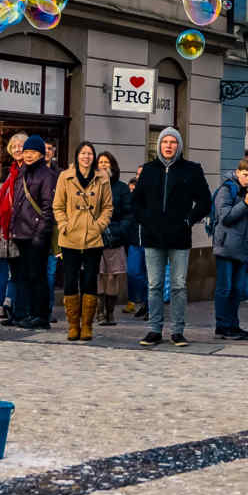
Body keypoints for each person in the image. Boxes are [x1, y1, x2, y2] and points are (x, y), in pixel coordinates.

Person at [132, 127, 210, 346]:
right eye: (164, 141)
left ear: (179, 146)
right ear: (158, 145)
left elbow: (205, 202)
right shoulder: (148, 170)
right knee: (154, 285)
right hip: (153, 237)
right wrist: (146, 220)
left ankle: (177, 331)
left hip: (179, 238)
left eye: (172, 142)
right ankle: (154, 330)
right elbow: (135, 203)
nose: (168, 145)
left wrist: (188, 220)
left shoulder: (191, 170)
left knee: (178, 285)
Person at [53, 141, 113, 341]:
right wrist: (64, 225)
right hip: (70, 237)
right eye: (83, 153)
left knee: (89, 280)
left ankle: (87, 325)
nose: (86, 157)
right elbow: (58, 206)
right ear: (77, 156)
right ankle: (72, 325)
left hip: (93, 237)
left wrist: (99, 225)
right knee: (70, 280)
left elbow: (108, 207)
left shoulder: (102, 178)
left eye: (89, 154)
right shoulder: (65, 177)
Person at [10, 134, 59, 330]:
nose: (29, 156)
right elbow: (18, 203)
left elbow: (49, 208)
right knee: (23, 276)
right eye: (27, 152)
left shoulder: (47, 176)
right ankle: (27, 313)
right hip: (21, 233)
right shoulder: (23, 173)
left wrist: (40, 233)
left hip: (36, 234)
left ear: (41, 154)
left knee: (37, 276)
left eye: (33, 152)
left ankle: (40, 315)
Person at [211, 158, 248, 340]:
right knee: (225, 288)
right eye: (245, 175)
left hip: (242, 248)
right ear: (238, 172)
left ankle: (233, 325)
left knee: (238, 289)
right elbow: (225, 217)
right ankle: (222, 326)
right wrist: (245, 203)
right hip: (225, 247)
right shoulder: (226, 190)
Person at [0, 133, 26, 324]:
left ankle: (12, 306)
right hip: (7, 232)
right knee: (14, 272)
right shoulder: (13, 172)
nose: (17, 149)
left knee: (18, 273)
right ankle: (11, 306)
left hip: (22, 230)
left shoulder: (26, 171)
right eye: (14, 146)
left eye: (21, 146)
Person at [95, 151, 133, 326]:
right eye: (100, 162)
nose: (103, 165)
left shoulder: (122, 188)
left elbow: (128, 214)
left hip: (115, 238)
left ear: (112, 165)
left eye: (106, 162)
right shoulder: (91, 186)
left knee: (112, 276)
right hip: (95, 237)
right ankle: (99, 312)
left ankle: (110, 313)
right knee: (99, 275)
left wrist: (118, 231)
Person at [125, 175, 147, 319]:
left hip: (149, 241)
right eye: (130, 190)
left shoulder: (147, 199)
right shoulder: (129, 202)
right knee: (133, 273)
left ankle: (149, 305)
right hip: (133, 242)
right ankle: (140, 300)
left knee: (150, 276)